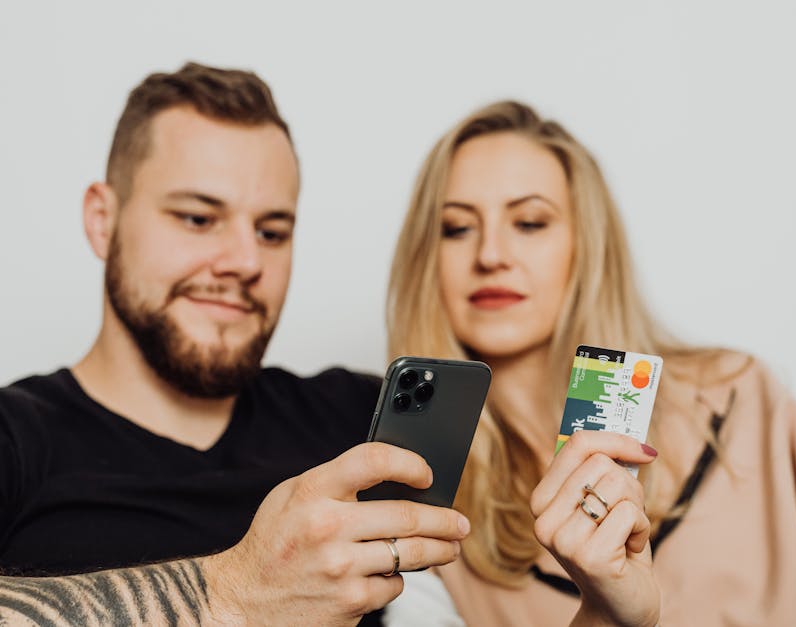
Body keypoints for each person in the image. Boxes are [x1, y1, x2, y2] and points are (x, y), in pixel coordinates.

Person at [381, 101, 796, 626]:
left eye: (530, 221)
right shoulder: (423, 508)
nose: (491, 255)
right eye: (456, 228)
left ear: (587, 245)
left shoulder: (740, 396)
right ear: (424, 256)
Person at [0, 63, 472, 625]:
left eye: (272, 232)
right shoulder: (16, 439)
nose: (247, 263)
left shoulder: (359, 426)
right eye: (199, 218)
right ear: (103, 220)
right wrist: (232, 594)